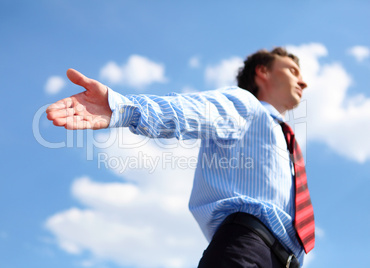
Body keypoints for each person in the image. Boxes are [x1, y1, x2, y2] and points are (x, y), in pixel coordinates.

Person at [46, 47, 314, 268]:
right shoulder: (247, 107)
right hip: (247, 250)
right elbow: (193, 110)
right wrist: (122, 109)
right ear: (263, 72)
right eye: (292, 71)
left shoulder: (285, 140)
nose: (303, 81)